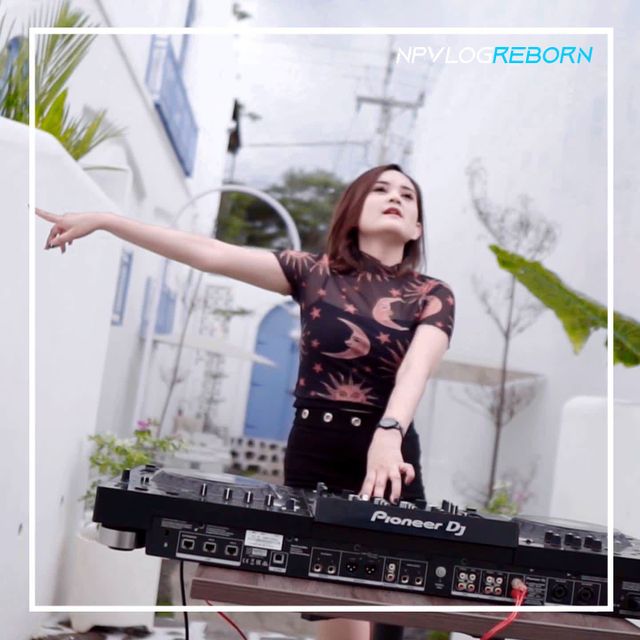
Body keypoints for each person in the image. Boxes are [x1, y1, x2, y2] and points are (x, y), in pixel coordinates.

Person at [36, 163, 455, 640]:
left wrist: (389, 433)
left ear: (417, 227)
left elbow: (415, 369)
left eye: (407, 194)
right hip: (317, 453)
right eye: (380, 189)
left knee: (393, 607)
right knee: (340, 615)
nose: (395, 196)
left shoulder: (433, 294)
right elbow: (210, 253)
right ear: (353, 210)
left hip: (389, 456)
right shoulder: (313, 273)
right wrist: (107, 221)